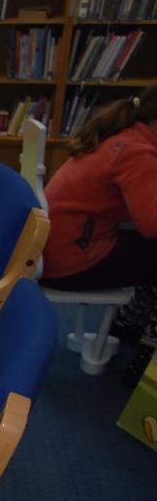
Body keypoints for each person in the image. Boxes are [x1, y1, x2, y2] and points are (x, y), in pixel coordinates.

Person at [40, 85, 157, 355]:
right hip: (71, 262)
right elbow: (152, 225)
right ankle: (145, 337)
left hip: (55, 249)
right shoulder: (137, 152)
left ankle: (130, 321)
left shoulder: (121, 137)